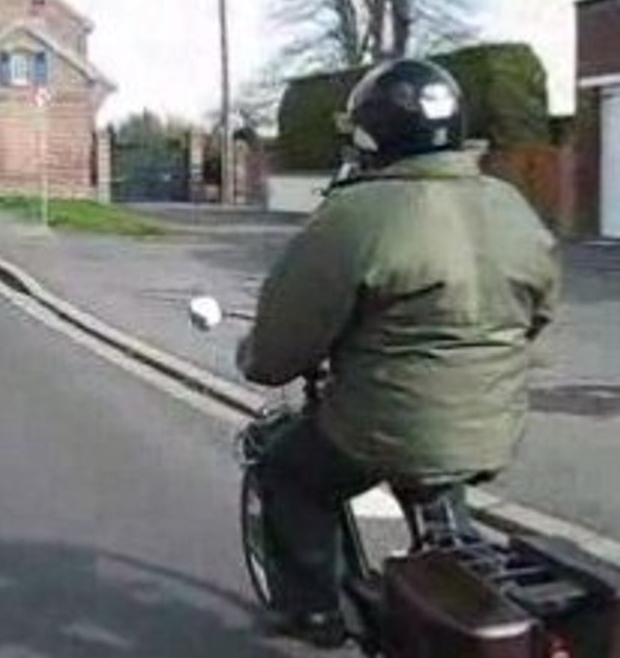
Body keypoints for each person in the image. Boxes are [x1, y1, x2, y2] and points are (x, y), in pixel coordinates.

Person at [236, 59, 559, 647]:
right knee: (438, 465)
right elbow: (538, 312)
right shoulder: (511, 205)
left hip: (384, 426)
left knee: (288, 474)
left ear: (371, 138)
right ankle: (449, 572)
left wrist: (253, 358)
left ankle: (313, 613)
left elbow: (279, 350)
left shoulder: (356, 213)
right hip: (491, 425)